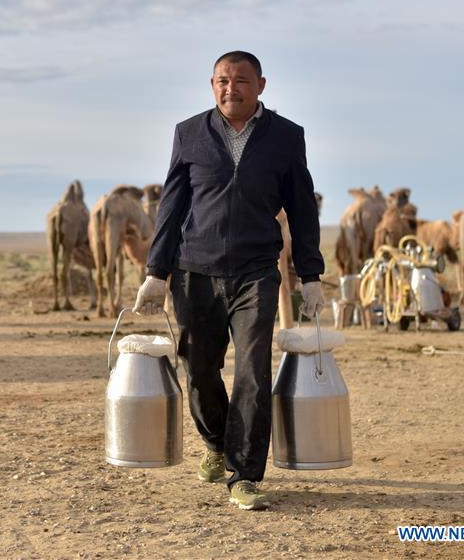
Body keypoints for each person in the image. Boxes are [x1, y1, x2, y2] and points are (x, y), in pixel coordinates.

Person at [133, 51, 325, 510]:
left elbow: (301, 208)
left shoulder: (286, 136)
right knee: (198, 369)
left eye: (240, 80)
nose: (230, 88)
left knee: (253, 371)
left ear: (261, 85)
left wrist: (311, 275)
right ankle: (217, 444)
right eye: (222, 80)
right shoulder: (189, 133)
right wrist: (156, 273)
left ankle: (245, 475)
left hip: (257, 271)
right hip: (194, 271)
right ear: (211, 84)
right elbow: (172, 208)